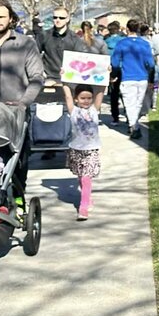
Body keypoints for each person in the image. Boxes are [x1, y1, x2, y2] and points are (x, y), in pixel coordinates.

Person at [0, 0, 45, 199]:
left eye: (1, 16)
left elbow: (37, 77)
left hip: (16, 113)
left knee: (18, 162)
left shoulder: (25, 43)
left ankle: (18, 199)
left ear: (11, 18)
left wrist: (24, 102)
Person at [62, 83, 103, 219]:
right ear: (76, 99)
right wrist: (64, 82)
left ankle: (83, 207)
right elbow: (67, 96)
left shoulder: (94, 110)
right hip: (76, 150)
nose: (86, 101)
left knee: (86, 178)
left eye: (89, 98)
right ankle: (88, 198)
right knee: (81, 177)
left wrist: (105, 78)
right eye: (83, 98)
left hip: (91, 150)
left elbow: (100, 92)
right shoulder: (73, 110)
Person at [110, 19, 154, 140]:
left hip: (128, 76)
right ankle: (135, 124)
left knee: (129, 104)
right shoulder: (145, 44)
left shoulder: (122, 43)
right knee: (138, 103)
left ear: (127, 29)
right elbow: (151, 64)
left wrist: (113, 75)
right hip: (142, 77)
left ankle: (134, 126)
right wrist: (151, 79)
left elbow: (115, 62)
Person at [37, 7, 85, 80]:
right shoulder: (44, 35)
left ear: (67, 19)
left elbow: (80, 60)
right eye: (55, 17)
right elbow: (34, 54)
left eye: (61, 18)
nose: (58, 20)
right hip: (48, 78)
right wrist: (40, 71)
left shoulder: (75, 39)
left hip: (69, 78)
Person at [103, 21, 124, 125]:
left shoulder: (105, 42)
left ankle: (115, 117)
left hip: (110, 68)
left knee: (114, 93)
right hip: (123, 68)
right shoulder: (123, 41)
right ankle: (128, 115)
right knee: (124, 93)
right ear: (118, 29)